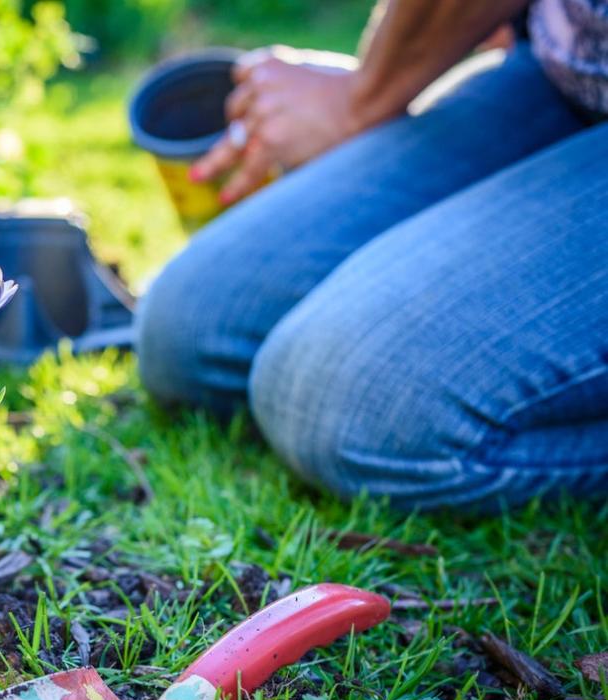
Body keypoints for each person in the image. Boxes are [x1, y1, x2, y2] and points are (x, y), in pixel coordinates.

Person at [136, 0, 608, 512]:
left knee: (352, 407)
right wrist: (366, 94)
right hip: (560, 73)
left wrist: (364, 99)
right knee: (190, 325)